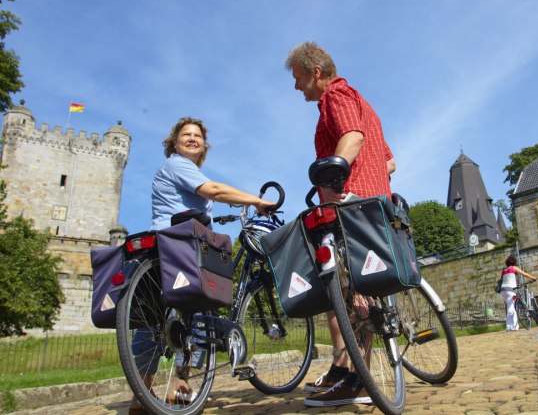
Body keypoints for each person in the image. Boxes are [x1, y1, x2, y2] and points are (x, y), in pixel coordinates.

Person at [129, 117, 275, 415]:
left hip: (173, 245)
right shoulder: (176, 164)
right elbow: (214, 191)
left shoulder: (187, 171)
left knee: (169, 317)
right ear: (174, 142)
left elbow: (204, 198)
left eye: (197, 135)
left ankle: (161, 388)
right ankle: (165, 387)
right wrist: (257, 201)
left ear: (204, 145)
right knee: (188, 312)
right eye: (186, 135)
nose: (193, 139)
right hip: (176, 245)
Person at [285, 41, 396, 407]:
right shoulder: (363, 102)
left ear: (315, 72)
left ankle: (357, 380)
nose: (296, 87)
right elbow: (389, 162)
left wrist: (334, 174)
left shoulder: (336, 95)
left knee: (352, 291)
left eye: (299, 78)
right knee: (356, 287)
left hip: (350, 203)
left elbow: (353, 136)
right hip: (375, 203)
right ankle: (351, 372)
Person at [498, 255, 537, 331]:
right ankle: (510, 327)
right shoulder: (513, 268)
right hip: (511, 290)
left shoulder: (504, 270)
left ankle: (514, 326)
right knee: (511, 308)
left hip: (503, 290)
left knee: (511, 306)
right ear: (514, 262)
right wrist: (533, 278)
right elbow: (524, 274)